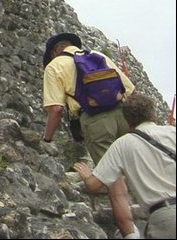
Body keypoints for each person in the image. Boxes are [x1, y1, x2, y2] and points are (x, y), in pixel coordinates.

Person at [42, 32, 139, 238]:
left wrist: (47, 139)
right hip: (124, 114)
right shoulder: (97, 55)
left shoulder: (55, 66)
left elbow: (56, 110)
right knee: (134, 167)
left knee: (113, 178)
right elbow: (130, 90)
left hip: (95, 121)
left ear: (53, 52)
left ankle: (131, 233)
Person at [74, 93, 176, 239]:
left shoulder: (122, 144)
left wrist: (86, 175)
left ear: (126, 119)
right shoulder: (172, 132)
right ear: (153, 114)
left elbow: (94, 185)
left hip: (164, 217)